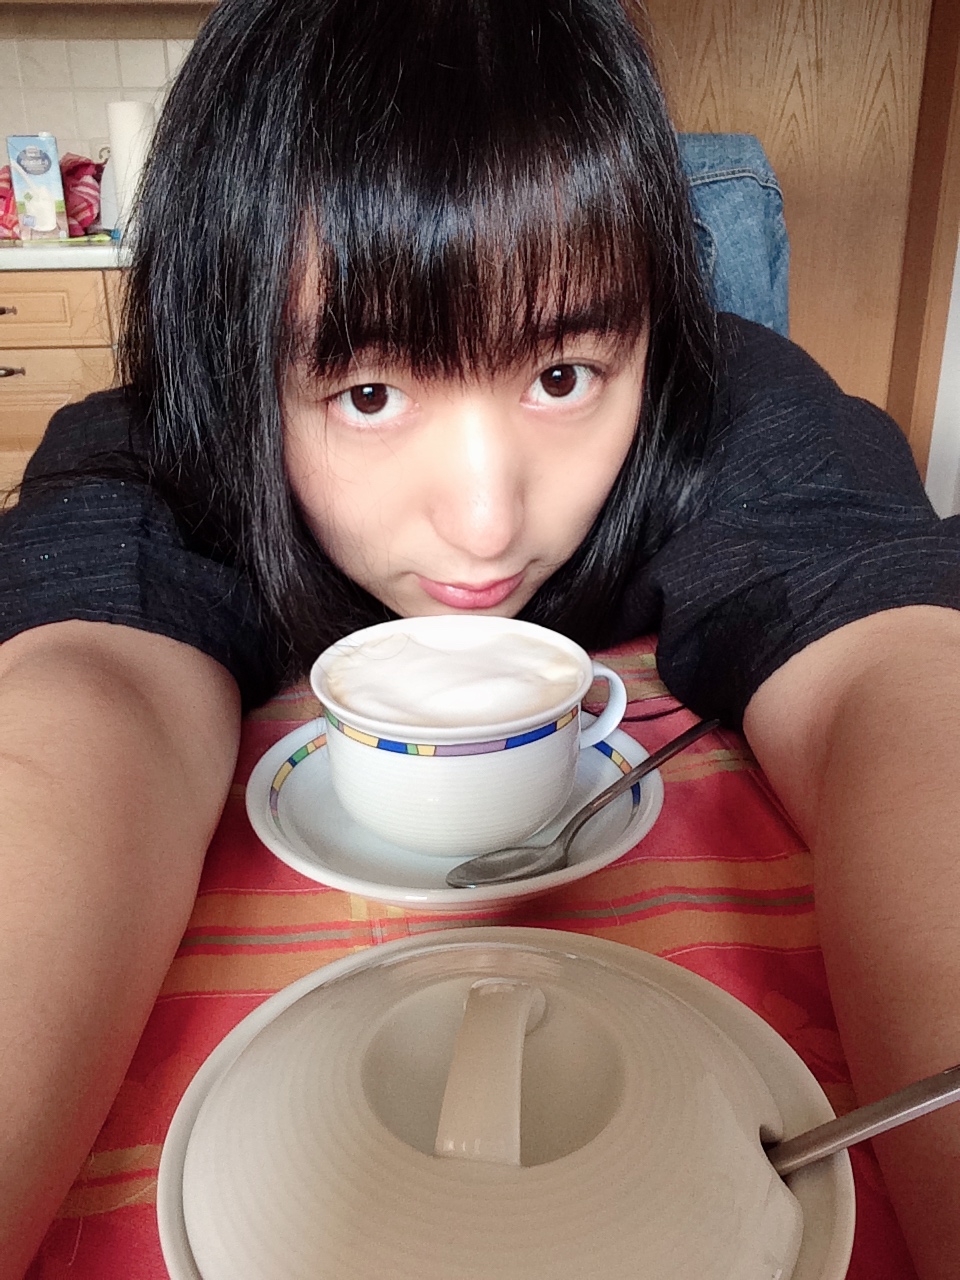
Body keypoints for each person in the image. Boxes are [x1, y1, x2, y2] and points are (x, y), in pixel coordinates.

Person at [1, 0, 959, 1275]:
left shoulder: (730, 402)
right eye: (369, 392)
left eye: (563, 376)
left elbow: (897, 677)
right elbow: (79, 708)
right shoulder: (159, 449)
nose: (486, 521)